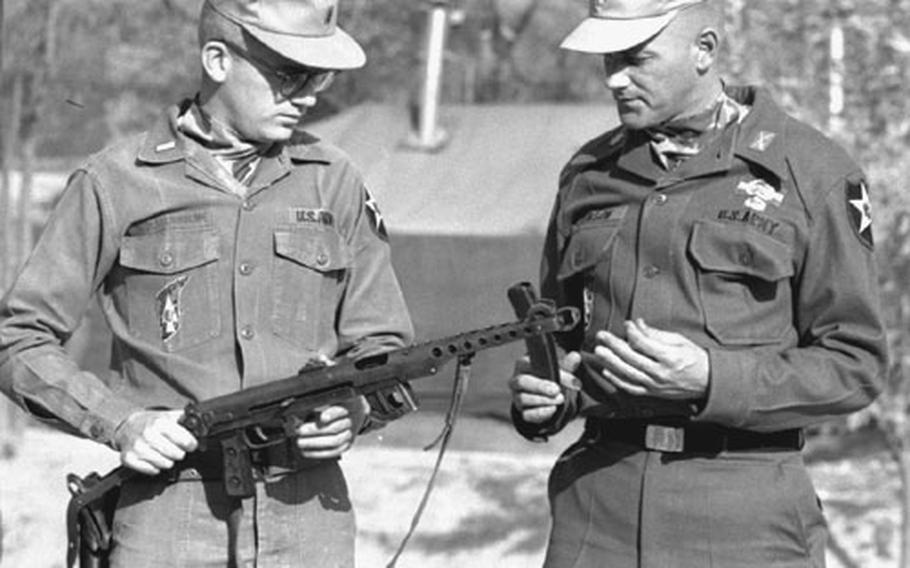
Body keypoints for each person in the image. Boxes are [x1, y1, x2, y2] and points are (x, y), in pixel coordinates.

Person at [0, 0, 413, 565]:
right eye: (290, 74)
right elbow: (18, 337)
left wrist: (356, 411)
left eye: (320, 77)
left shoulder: (333, 181)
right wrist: (121, 422)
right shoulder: (116, 182)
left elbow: (384, 347)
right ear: (218, 59)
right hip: (171, 510)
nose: (311, 94)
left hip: (307, 513)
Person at [509, 1, 887, 566]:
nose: (615, 77)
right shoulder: (589, 174)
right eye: (609, 58)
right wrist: (547, 395)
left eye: (637, 59)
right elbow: (560, 336)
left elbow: (855, 365)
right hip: (597, 512)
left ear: (704, 50)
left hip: (743, 513)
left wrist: (713, 377)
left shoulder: (812, 173)